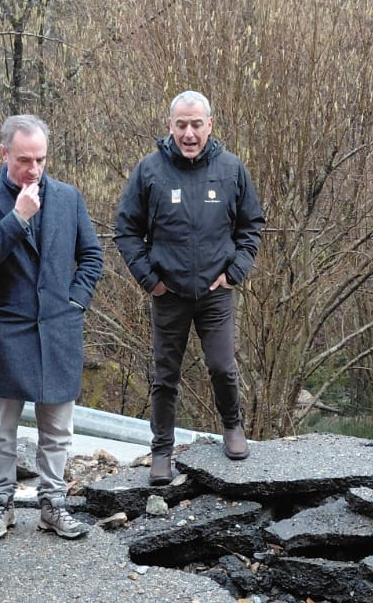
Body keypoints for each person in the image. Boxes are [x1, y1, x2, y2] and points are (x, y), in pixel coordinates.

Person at [113, 90, 264, 485]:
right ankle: (162, 449)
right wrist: (150, 280)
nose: (189, 133)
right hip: (169, 294)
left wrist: (235, 272)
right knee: (166, 376)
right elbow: (126, 230)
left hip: (216, 291)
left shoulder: (231, 169)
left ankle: (232, 426)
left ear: (210, 125)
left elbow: (251, 225)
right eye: (181, 124)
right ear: (170, 126)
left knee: (222, 367)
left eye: (197, 124)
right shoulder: (149, 171)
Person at [0, 114, 102, 540]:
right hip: (6, 331)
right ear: (4, 153)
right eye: (24, 159)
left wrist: (74, 302)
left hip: (58, 330)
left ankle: (53, 504)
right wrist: (17, 218)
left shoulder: (68, 197)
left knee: (57, 430)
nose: (34, 168)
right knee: (2, 432)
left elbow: (92, 256)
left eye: (40, 159)